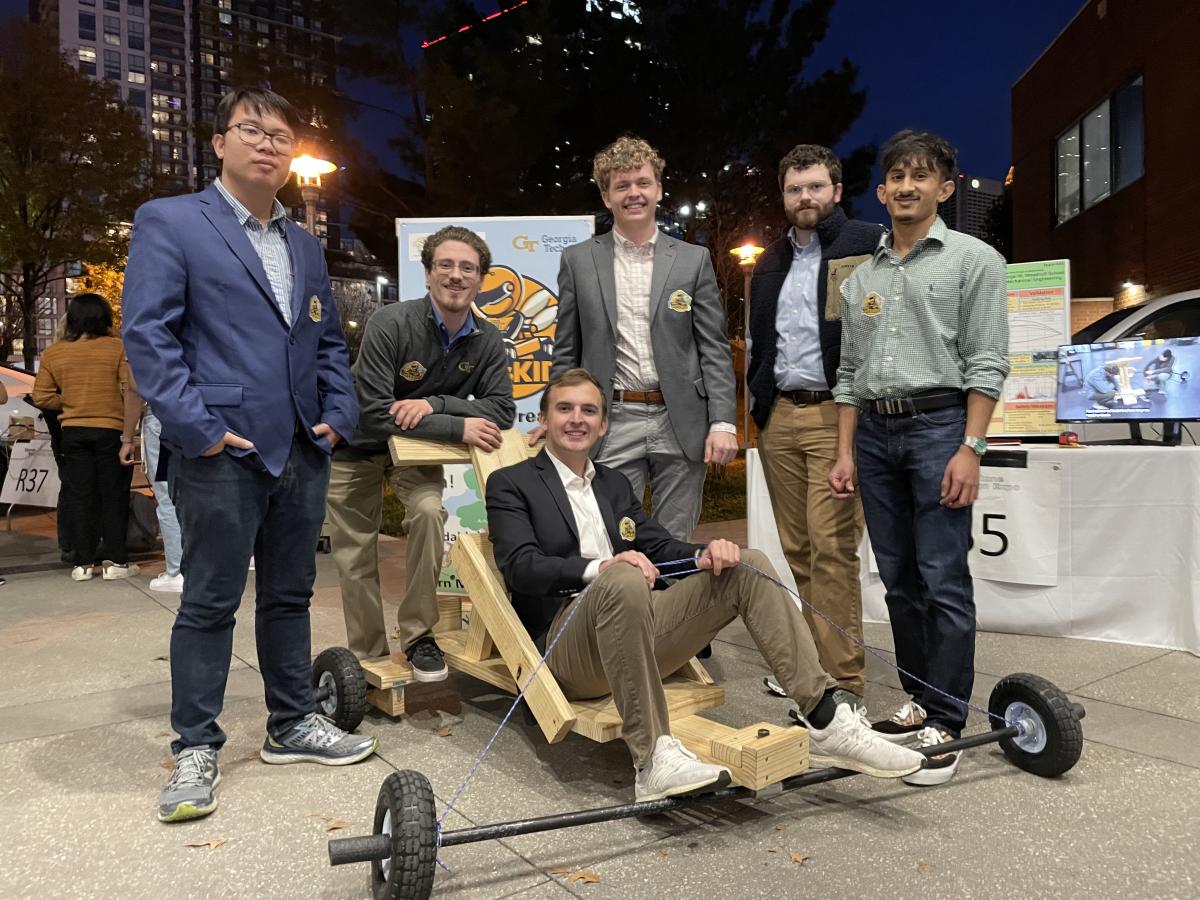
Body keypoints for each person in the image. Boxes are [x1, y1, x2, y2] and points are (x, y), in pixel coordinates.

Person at [487, 369, 925, 802]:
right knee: (622, 576)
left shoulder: (612, 483)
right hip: (570, 649)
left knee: (747, 563)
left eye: (589, 410)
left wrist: (704, 554)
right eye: (564, 409)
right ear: (542, 420)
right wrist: (600, 567)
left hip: (636, 629)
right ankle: (654, 758)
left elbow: (655, 545)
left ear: (604, 425)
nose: (576, 419)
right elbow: (520, 567)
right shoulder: (513, 483)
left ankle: (825, 717)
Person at [122, 87, 375, 825]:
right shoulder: (172, 221)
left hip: (301, 446)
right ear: (219, 143)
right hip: (220, 450)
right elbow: (150, 337)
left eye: (282, 135)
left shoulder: (301, 243)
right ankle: (196, 745)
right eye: (252, 131)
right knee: (208, 603)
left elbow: (326, 339)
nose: (269, 144)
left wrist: (338, 415)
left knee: (291, 596)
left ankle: (291, 723)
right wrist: (197, 429)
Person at [829, 130, 1009, 786]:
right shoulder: (864, 277)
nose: (907, 186)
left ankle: (949, 723)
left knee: (942, 578)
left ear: (945, 188)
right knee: (899, 579)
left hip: (940, 430)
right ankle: (918, 702)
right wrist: (846, 451)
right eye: (896, 177)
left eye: (921, 177)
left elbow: (988, 361)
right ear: (881, 191)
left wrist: (972, 446)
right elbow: (848, 373)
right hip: (874, 437)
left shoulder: (975, 260)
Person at [326, 226, 515, 674]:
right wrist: (458, 423)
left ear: (480, 279)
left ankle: (417, 636)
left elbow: (502, 410)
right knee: (355, 555)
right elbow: (372, 413)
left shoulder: (486, 339)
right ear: (428, 274)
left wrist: (435, 404)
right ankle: (368, 657)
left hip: (416, 447)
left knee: (430, 513)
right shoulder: (390, 324)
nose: (456, 275)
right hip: (357, 446)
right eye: (445, 265)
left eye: (467, 268)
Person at [531, 136, 737, 542]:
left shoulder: (693, 260)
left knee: (674, 541)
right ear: (606, 196)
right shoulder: (578, 260)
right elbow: (567, 351)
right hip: (613, 417)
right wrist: (552, 412)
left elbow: (713, 347)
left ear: (659, 190)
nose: (634, 194)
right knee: (612, 537)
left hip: (680, 419)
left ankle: (671, 607)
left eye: (642, 183)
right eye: (621, 186)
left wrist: (724, 422)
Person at [747, 144, 883, 705]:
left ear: (835, 189)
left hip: (836, 412)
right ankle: (812, 669)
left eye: (815, 187)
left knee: (831, 547)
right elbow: (760, 341)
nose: (805, 198)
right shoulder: (769, 260)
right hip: (779, 415)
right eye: (794, 189)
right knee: (798, 549)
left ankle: (844, 680)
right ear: (783, 197)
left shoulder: (867, 244)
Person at [32, 293, 142, 582]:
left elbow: (41, 395)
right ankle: (116, 561)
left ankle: (82, 564)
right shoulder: (117, 348)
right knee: (113, 496)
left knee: (80, 497)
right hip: (111, 430)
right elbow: (128, 388)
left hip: (73, 432)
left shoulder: (54, 353)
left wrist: (68, 403)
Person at [141, 402, 184, 593]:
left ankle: (176, 571)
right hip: (199, 417)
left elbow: (134, 389)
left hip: (161, 420)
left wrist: (126, 437)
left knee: (167, 495)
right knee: (201, 493)